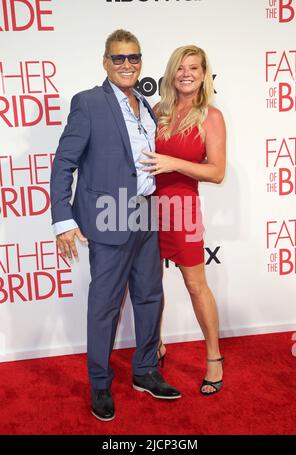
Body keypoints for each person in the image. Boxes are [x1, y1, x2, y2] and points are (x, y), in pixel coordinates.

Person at [50, 29, 181, 422]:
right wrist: (63, 220)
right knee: (104, 306)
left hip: (145, 212)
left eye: (133, 58)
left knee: (148, 297)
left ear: (141, 62)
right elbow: (63, 164)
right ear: (105, 62)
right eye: (118, 58)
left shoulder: (147, 104)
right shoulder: (88, 103)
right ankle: (100, 384)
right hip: (109, 216)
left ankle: (144, 371)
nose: (127, 65)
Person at [140, 45, 226, 395]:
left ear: (204, 74)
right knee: (149, 284)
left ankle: (214, 358)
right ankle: (154, 346)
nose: (187, 73)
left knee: (195, 285)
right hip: (147, 208)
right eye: (180, 67)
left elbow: (217, 172)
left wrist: (175, 164)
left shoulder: (211, 116)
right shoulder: (157, 110)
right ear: (171, 74)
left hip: (184, 210)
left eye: (194, 67)